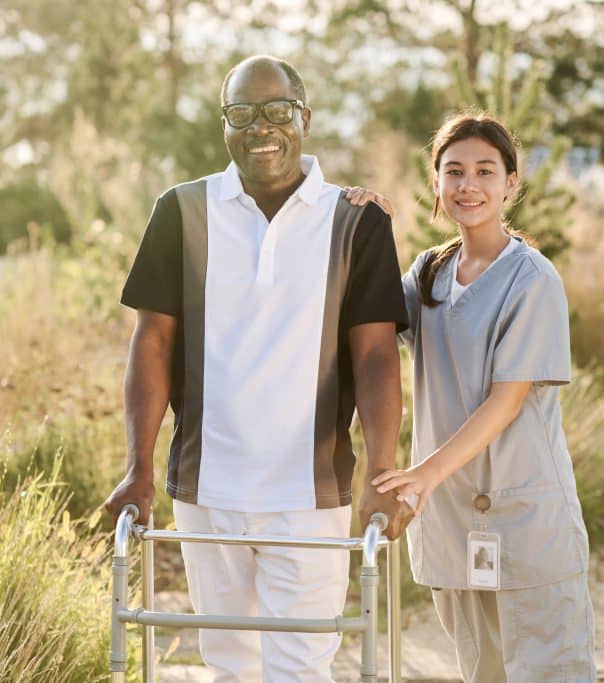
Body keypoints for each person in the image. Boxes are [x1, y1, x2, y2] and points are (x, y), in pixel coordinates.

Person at [103, 54, 414, 682]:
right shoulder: (181, 212)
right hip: (206, 491)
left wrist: (382, 467)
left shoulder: (357, 220)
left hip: (310, 495)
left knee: (300, 667)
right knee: (228, 665)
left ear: (304, 116)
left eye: (277, 110)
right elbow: (152, 345)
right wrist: (138, 467)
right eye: (241, 113)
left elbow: (378, 354)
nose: (260, 126)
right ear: (224, 124)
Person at [351, 112, 596, 682]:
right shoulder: (430, 273)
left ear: (511, 182)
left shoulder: (532, 281)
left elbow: (506, 403)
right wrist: (363, 228)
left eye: (486, 171)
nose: (468, 185)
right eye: (454, 171)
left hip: (526, 520)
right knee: (480, 674)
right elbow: (369, 322)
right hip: (454, 526)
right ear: (435, 182)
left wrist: (422, 476)